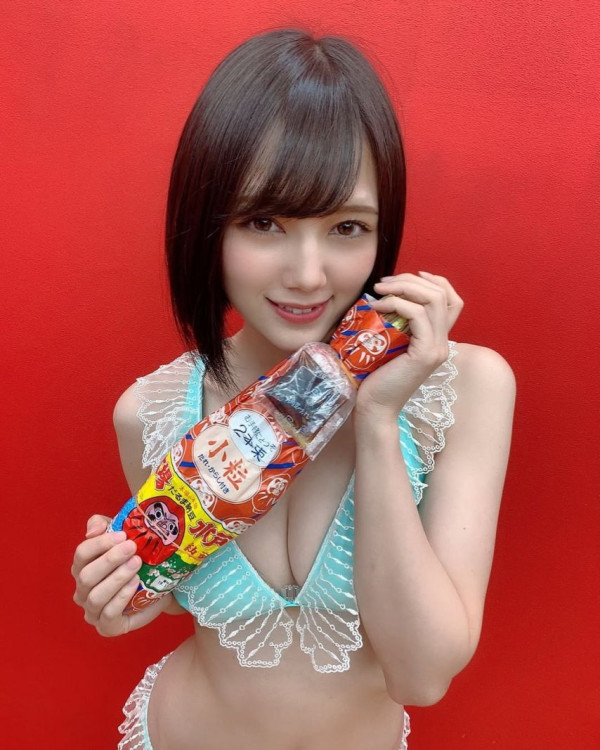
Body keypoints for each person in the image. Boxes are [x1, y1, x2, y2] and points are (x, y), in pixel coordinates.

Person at [71, 28, 516, 750]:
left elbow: (422, 675)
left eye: (347, 227)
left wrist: (377, 418)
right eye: (264, 222)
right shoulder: (148, 411)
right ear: (206, 225)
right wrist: (127, 596)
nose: (308, 275)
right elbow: (185, 596)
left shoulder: (465, 388)